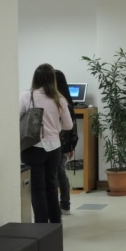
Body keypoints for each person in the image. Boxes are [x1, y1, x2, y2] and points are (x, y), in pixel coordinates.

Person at [20, 63, 74, 223]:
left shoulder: (27, 96)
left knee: (37, 189)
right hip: (54, 148)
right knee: (51, 185)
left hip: (33, 147)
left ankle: (41, 225)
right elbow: (68, 125)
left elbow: (15, 117)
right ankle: (55, 223)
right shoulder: (59, 99)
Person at [54, 69, 78, 215]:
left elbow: (69, 127)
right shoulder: (66, 99)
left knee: (59, 172)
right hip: (63, 143)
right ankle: (65, 204)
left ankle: (64, 204)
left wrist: (69, 147)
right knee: (60, 172)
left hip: (60, 143)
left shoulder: (61, 101)